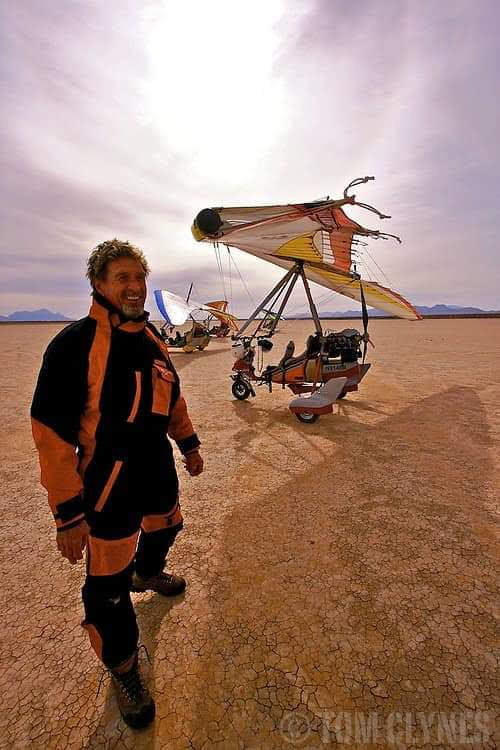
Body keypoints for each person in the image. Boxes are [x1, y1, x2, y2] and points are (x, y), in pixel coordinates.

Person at [31, 239, 203, 730]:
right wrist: (68, 514)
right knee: (106, 588)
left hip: (156, 466)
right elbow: (51, 435)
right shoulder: (75, 344)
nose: (134, 287)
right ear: (99, 284)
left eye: (139, 277)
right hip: (108, 481)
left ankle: (146, 572)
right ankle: (124, 668)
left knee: (168, 526)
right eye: (122, 277)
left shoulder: (151, 340)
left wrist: (188, 444)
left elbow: (172, 398)